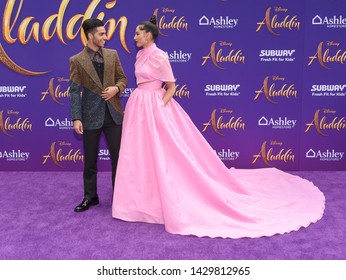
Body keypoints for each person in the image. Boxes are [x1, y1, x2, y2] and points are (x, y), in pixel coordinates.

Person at [112, 16, 325, 238]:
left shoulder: (159, 55)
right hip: (139, 104)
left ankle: (164, 197)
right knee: (139, 153)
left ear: (148, 35)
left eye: (137, 33)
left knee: (166, 152)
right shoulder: (139, 54)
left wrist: (159, 106)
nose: (134, 36)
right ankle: (140, 201)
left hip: (156, 105)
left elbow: (172, 87)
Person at [70, 18, 127, 212]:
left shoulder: (112, 54)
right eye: (101, 34)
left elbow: (123, 78)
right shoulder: (76, 60)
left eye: (105, 33)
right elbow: (73, 91)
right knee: (91, 159)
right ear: (90, 36)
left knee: (119, 157)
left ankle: (120, 197)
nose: (105, 36)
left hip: (114, 114)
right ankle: (90, 197)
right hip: (90, 116)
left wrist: (116, 88)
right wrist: (76, 117)